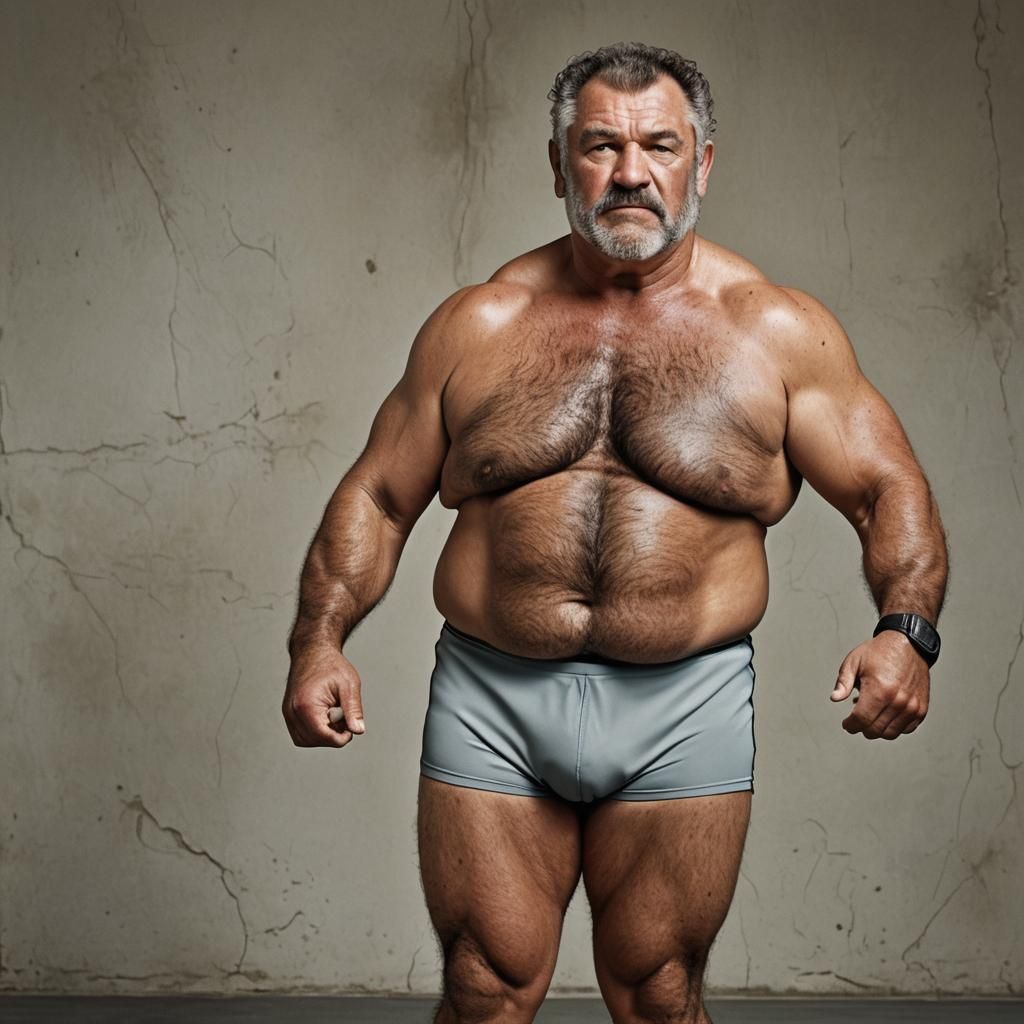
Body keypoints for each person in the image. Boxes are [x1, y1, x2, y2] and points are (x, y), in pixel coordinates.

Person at [283, 41, 949, 1024]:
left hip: (683, 703)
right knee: (483, 988)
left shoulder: (773, 332)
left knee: (657, 992)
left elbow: (885, 488)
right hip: (494, 700)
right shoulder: (480, 324)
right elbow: (380, 497)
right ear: (557, 164)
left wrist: (907, 631)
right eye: (599, 146)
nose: (630, 172)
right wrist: (318, 642)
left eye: (658, 146)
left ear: (702, 165)